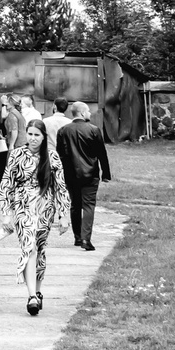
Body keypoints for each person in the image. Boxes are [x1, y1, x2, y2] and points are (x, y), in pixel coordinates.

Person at [0, 112, 61, 316]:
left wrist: (64, 215)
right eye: (30, 134)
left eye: (37, 135)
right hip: (23, 205)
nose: (33, 138)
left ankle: (39, 291)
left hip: (45, 206)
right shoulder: (17, 154)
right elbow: (7, 183)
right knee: (29, 247)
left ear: (44, 136)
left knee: (40, 249)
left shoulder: (52, 156)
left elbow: (60, 187)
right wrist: (6, 213)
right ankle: (31, 296)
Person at [55, 100, 112, 250]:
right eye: (87, 111)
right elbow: (101, 153)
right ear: (81, 112)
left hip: (70, 174)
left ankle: (78, 237)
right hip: (90, 173)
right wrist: (105, 173)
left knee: (75, 205)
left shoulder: (63, 131)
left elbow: (60, 154)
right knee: (88, 206)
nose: (89, 114)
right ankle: (86, 239)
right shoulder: (93, 130)